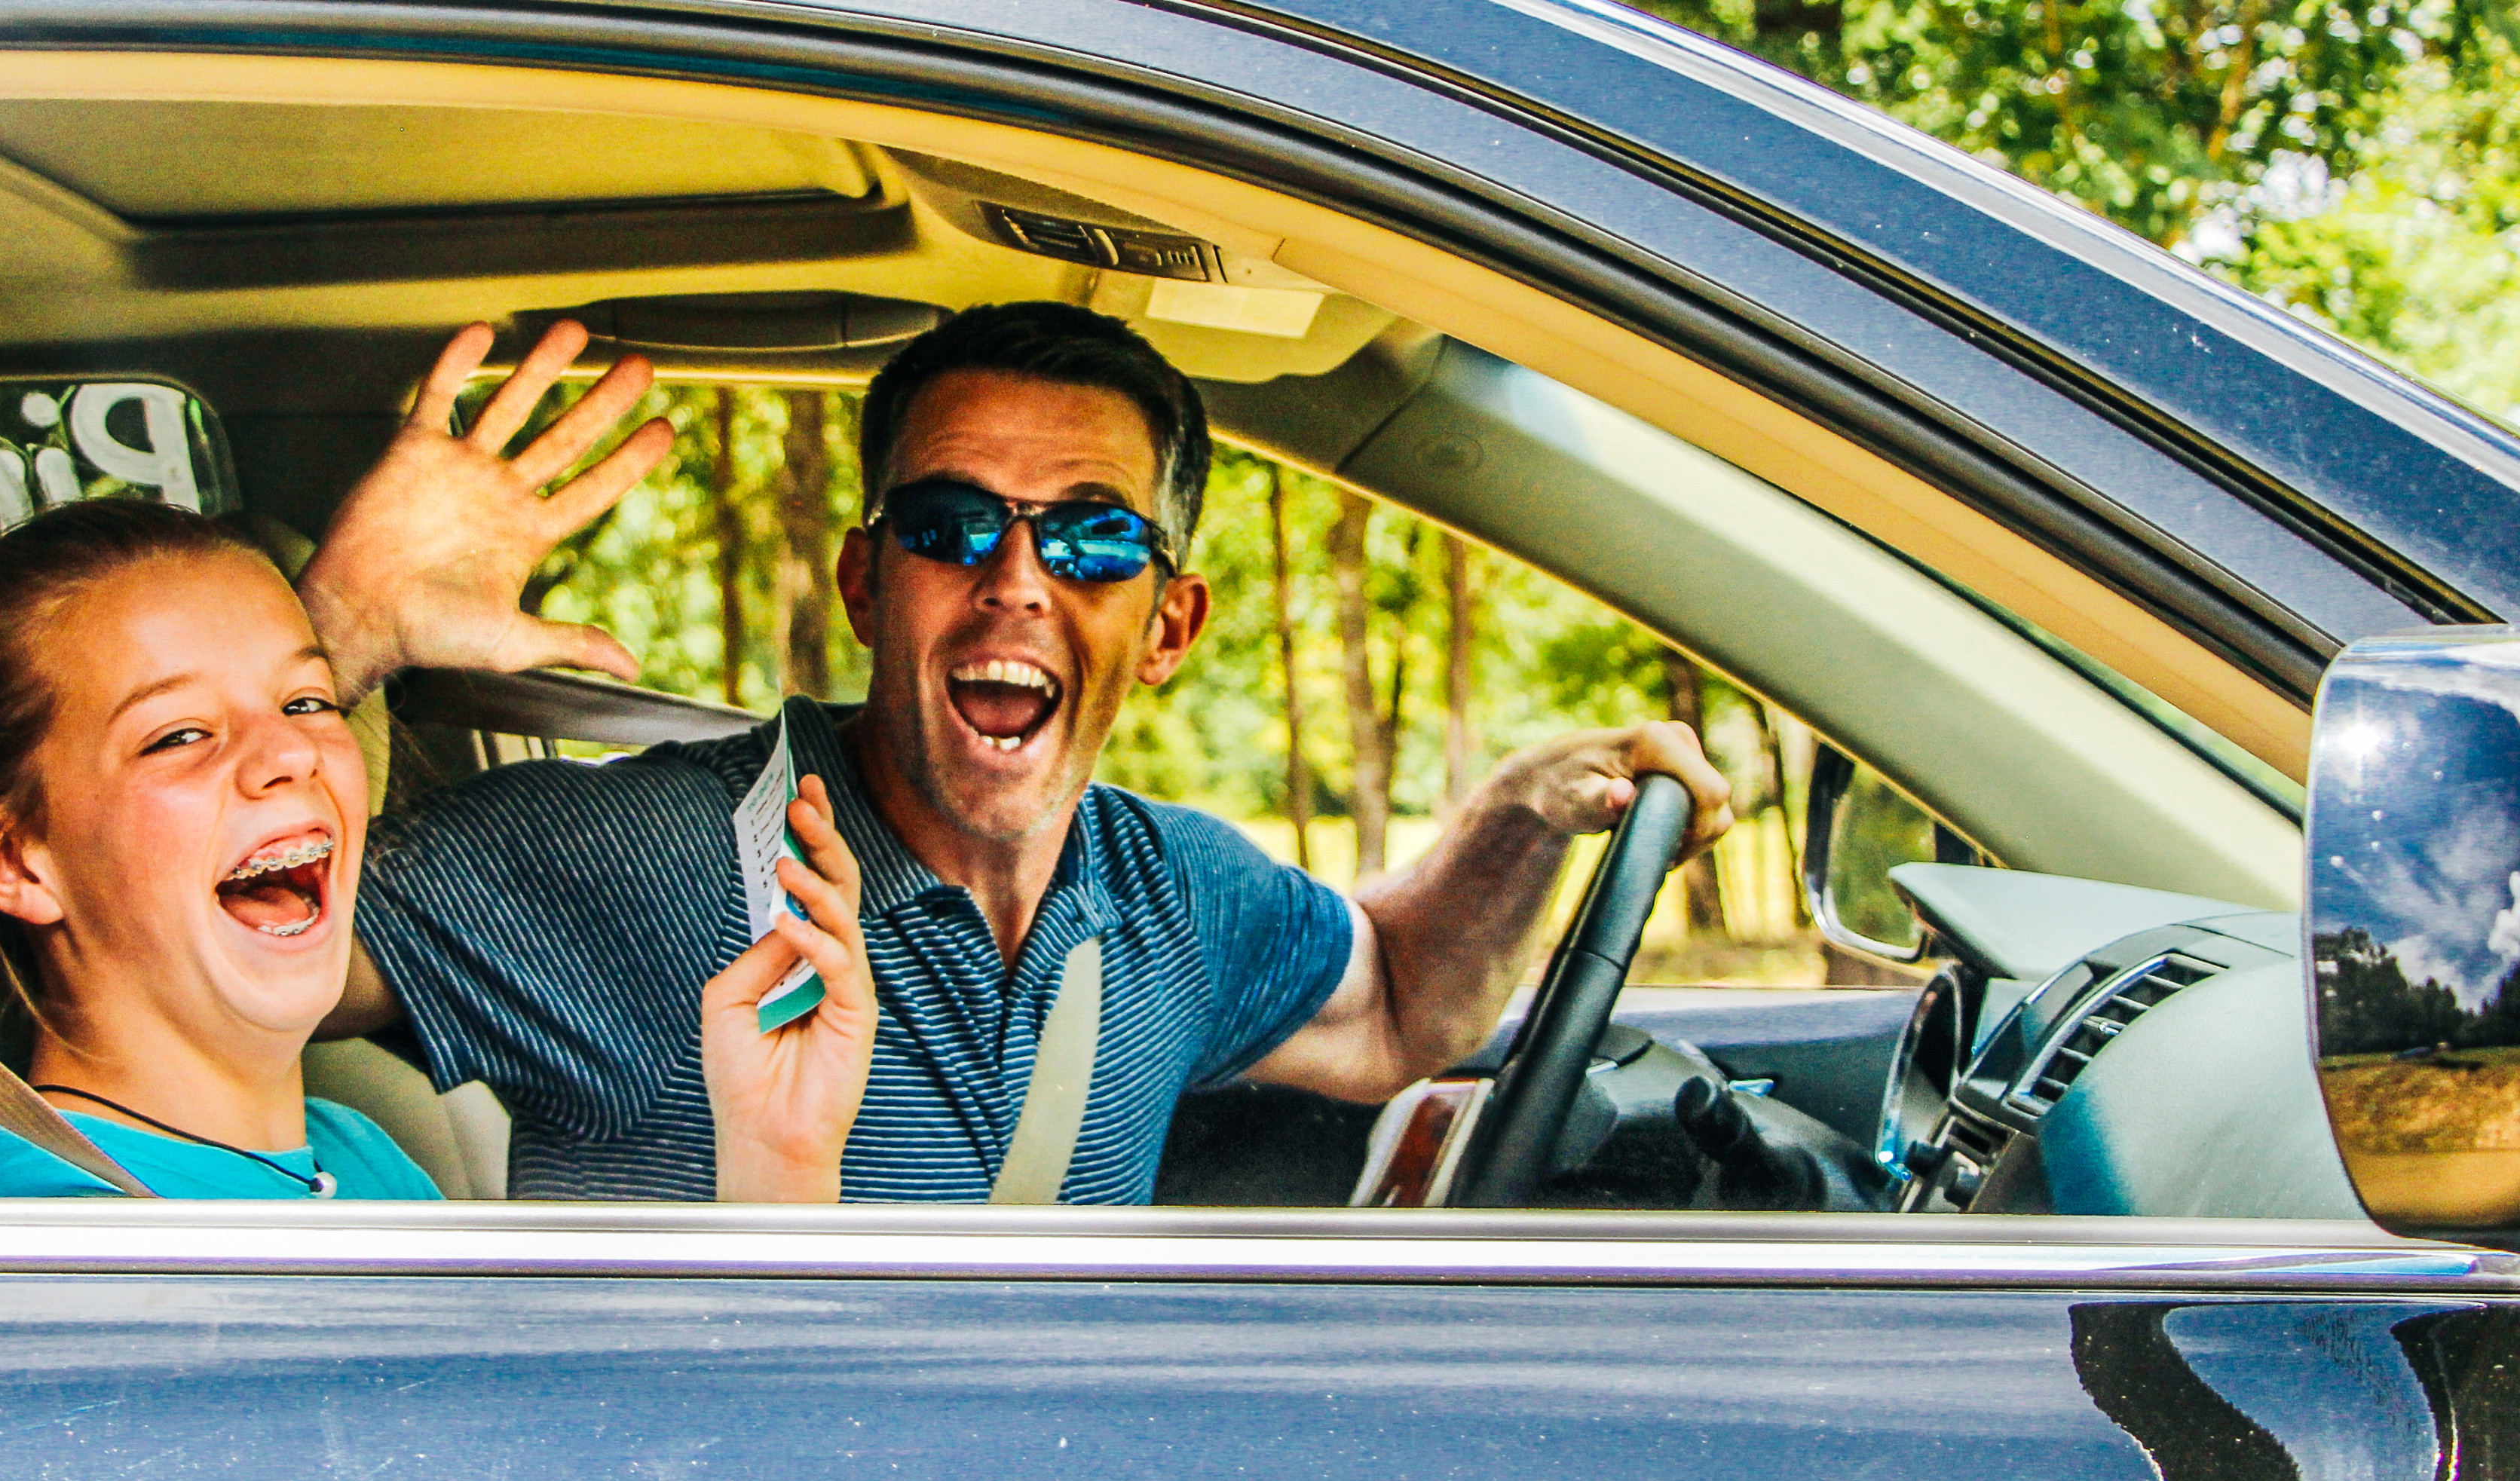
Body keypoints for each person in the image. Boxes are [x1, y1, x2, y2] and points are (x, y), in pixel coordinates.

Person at [304, 302, 1735, 1203]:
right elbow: (177, 970)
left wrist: (1522, 810)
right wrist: (341, 635)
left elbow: (1399, 1009)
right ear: (869, 587)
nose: (1017, 579)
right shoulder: (615, 859)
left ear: (1169, 624)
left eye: (1095, 536)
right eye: (948, 523)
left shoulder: (1180, 893)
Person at [0, 498, 877, 1200]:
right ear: (14, 862)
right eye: (178, 735)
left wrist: (774, 1161)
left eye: (305, 701)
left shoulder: (359, 1159)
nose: (290, 747)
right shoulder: (60, 1264)